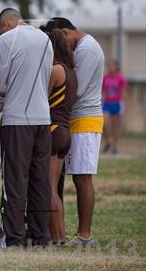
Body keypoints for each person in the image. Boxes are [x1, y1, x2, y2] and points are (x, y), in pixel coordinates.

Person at [0, 8, 53, 247]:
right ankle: (41, 236)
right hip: (43, 117)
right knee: (40, 180)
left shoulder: (5, 39)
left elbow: (0, 83)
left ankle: (14, 237)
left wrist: (0, 96)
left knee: (15, 180)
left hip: (18, 119)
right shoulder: (45, 38)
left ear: (6, 25)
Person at [46, 17, 105, 247]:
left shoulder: (87, 49)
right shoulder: (83, 47)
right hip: (75, 119)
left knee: (82, 177)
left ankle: (84, 235)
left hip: (85, 119)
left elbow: (74, 89)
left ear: (65, 32)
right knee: (75, 177)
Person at [46, 29, 78, 245]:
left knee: (48, 188)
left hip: (53, 129)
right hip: (66, 130)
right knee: (55, 188)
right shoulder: (71, 71)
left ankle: (57, 237)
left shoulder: (55, 70)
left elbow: (42, 97)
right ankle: (61, 235)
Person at [102, 59, 127, 154]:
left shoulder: (120, 78)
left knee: (115, 127)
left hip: (116, 103)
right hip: (107, 103)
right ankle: (108, 141)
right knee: (104, 123)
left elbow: (124, 92)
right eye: (108, 66)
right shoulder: (105, 77)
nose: (109, 68)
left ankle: (115, 146)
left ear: (116, 67)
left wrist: (123, 105)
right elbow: (103, 90)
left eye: (111, 66)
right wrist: (102, 101)